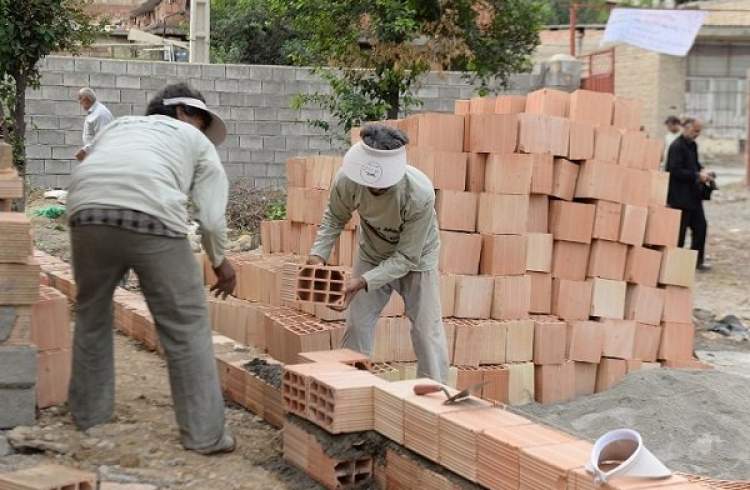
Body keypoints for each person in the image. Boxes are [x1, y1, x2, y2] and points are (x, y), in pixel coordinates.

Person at [66, 83, 237, 454]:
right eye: (201, 119)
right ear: (182, 113)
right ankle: (205, 435)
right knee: (186, 325)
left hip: (86, 211)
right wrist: (221, 263)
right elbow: (209, 219)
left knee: (91, 314)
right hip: (153, 217)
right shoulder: (196, 142)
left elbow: (88, 161)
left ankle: (88, 414)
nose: (204, 129)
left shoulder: (118, 127)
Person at [308, 124, 449, 383]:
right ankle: (352, 387)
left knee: (427, 331)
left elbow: (407, 257)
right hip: (372, 253)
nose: (374, 189)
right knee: (357, 323)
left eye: (381, 186)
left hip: (417, 259)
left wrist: (361, 282)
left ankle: (435, 395)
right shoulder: (348, 179)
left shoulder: (419, 193)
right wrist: (317, 256)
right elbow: (334, 219)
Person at [666, 118, 713, 271]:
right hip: (679, 197)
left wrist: (704, 171)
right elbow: (674, 170)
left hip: (694, 196)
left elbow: (695, 164)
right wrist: (696, 176)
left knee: (701, 228)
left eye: (699, 131)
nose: (697, 134)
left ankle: (696, 262)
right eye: (695, 131)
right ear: (686, 128)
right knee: (679, 233)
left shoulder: (692, 145)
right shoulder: (676, 146)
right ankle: (673, 265)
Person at [75, 87, 114, 161]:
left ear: (86, 99)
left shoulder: (100, 114)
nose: (80, 104)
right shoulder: (95, 112)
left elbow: (103, 138)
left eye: (80, 100)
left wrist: (84, 151)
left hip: (102, 157)